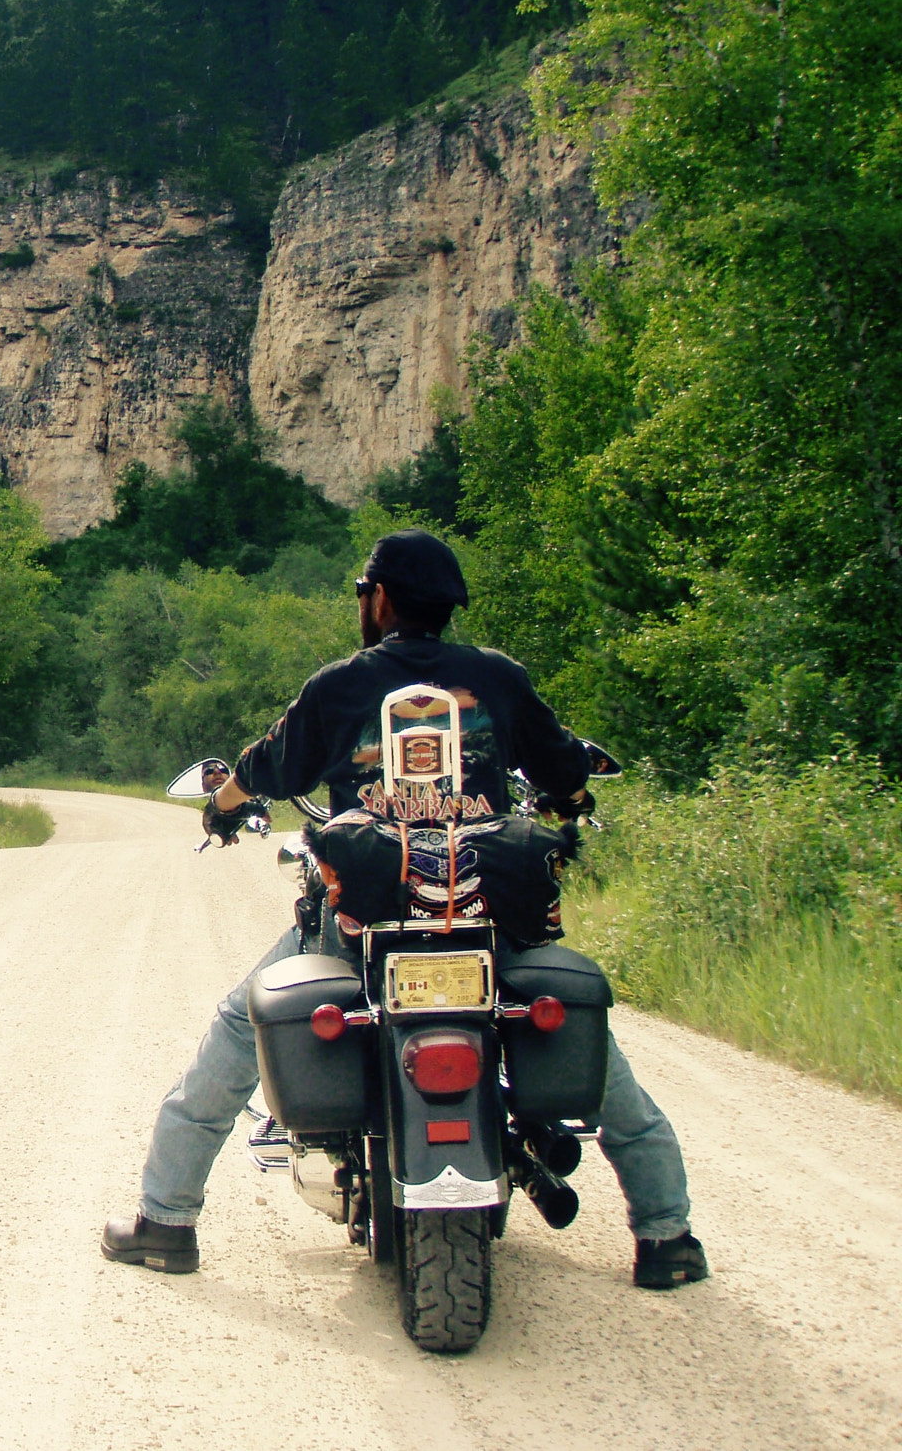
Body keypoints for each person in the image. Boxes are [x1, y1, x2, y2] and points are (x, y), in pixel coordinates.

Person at [101, 529, 709, 1291]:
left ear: (380, 600)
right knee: (592, 1050)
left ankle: (167, 1223)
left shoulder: (341, 686)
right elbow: (558, 767)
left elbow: (268, 764)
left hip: (364, 925)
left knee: (237, 1030)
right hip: (485, 915)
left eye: (365, 593)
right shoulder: (497, 679)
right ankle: (667, 1235)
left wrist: (223, 805)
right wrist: (574, 797)